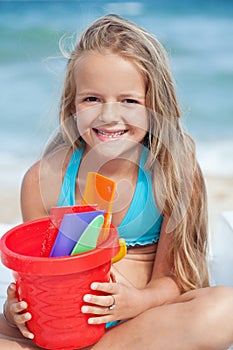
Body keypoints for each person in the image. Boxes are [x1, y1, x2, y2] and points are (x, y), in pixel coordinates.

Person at [1, 14, 233, 350]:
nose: (109, 116)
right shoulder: (45, 180)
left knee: (225, 309)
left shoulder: (172, 173)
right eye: (92, 99)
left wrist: (136, 301)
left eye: (129, 101)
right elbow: (37, 281)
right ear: (72, 105)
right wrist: (15, 310)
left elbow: (174, 279)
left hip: (140, 323)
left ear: (155, 106)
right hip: (64, 328)